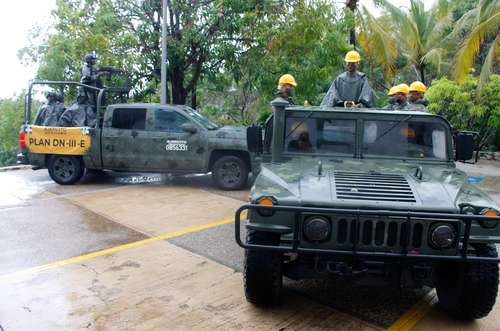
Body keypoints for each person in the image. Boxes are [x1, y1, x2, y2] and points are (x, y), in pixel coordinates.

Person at [263, 74, 298, 152]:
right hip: (279, 149)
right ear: (284, 86)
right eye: (291, 86)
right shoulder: (278, 105)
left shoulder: (289, 102)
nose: (292, 88)